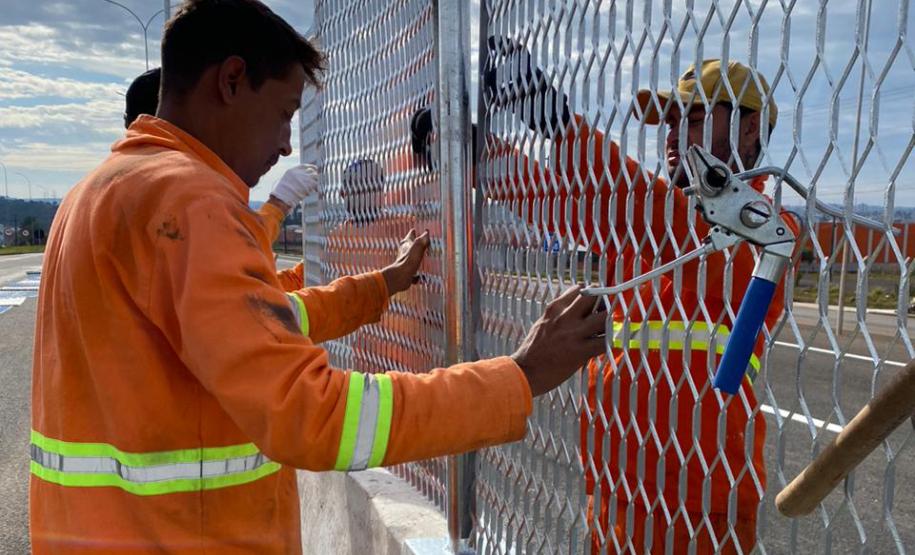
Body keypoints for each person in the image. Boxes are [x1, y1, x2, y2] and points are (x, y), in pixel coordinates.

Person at [29, 2, 607, 553]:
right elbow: (311, 413)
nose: (285, 144)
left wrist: (379, 287)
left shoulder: (98, 191)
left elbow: (264, 323)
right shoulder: (189, 199)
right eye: (283, 113)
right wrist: (520, 376)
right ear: (231, 81)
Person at [414, 45, 793, 553]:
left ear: (750, 130)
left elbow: (642, 213)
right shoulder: (646, 227)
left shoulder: (767, 233)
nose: (674, 137)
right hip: (615, 489)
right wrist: (473, 154)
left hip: (700, 502)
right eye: (669, 122)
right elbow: (567, 201)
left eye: (695, 118)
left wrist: (558, 124)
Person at [124, 66, 311, 291]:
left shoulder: (118, 187)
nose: (285, 148)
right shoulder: (182, 196)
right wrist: (278, 205)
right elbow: (244, 301)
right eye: (283, 114)